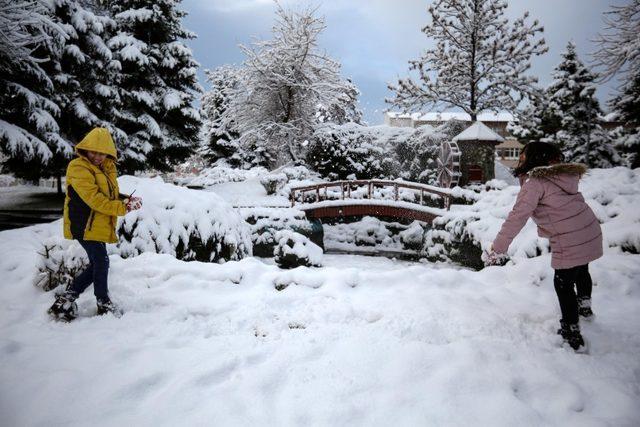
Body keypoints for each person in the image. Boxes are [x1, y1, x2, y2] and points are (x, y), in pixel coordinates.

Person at [487, 142, 602, 352]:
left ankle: (571, 331)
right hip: (587, 228)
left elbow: (517, 217)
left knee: (563, 283)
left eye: (522, 155)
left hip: (569, 236)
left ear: (534, 158)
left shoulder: (535, 182)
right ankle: (584, 307)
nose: (519, 158)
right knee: (581, 270)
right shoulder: (562, 176)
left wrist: (498, 247)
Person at [48, 128, 142, 321]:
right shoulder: (78, 167)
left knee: (100, 262)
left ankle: (67, 300)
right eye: (93, 152)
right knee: (101, 261)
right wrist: (122, 208)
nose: (97, 156)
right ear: (85, 150)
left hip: (96, 224)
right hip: (83, 223)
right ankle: (102, 301)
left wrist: (126, 200)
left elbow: (109, 195)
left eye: (101, 153)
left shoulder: (106, 168)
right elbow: (95, 199)